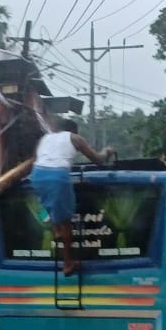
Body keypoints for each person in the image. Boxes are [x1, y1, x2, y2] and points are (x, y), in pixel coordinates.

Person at [31, 118, 114, 276]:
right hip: (57, 177)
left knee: (54, 210)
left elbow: (36, 160)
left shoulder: (44, 139)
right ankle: (68, 263)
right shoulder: (74, 138)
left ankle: (56, 230)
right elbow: (97, 160)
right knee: (67, 223)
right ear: (73, 130)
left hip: (37, 176)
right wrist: (107, 152)